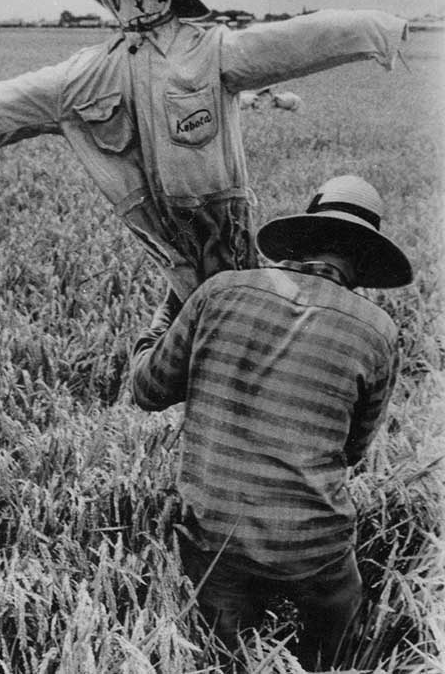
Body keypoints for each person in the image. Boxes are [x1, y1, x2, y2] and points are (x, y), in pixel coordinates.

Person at [0, 0, 408, 304]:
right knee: (190, 341)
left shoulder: (211, 52)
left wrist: (379, 29)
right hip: (164, 246)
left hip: (222, 236)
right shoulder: (81, 77)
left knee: (233, 325)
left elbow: (298, 40)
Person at [131, 175, 413, 671]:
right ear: (363, 260)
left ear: (301, 237)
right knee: (339, 638)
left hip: (215, 537)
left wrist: (167, 313)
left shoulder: (218, 292)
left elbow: (147, 391)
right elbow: (351, 451)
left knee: (222, 656)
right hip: (312, 547)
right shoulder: (377, 330)